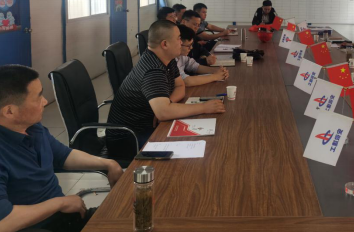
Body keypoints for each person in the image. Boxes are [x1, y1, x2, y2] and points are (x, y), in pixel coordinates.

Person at [0, 65, 123, 232]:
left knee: (134, 216)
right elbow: (4, 222)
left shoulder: (32, 127)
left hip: (63, 218)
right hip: (37, 227)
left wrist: (108, 163)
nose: (45, 102)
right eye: (38, 97)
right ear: (9, 111)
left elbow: (64, 156)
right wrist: (60, 203)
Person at [106, 20, 225, 158]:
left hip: (151, 125)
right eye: (178, 38)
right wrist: (204, 107)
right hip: (128, 139)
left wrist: (168, 103)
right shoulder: (153, 70)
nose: (181, 42)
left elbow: (180, 86)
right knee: (200, 148)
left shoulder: (167, 60)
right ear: (165, 44)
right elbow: (164, 113)